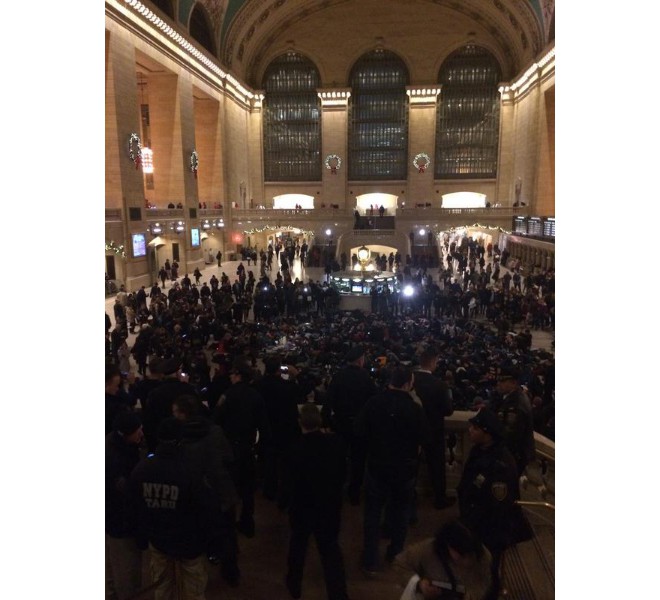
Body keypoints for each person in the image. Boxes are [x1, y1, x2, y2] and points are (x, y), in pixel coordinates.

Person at [131, 418, 222, 600]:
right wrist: (212, 543)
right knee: (193, 591)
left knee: (162, 587)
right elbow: (206, 509)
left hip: (158, 541)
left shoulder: (142, 469)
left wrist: (143, 535)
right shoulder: (191, 470)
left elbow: (136, 507)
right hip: (189, 542)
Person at [355, 366, 430, 573]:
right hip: (404, 469)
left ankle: (370, 558)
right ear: (407, 384)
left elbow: (360, 432)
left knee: (372, 514)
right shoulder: (415, 409)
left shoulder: (374, 403)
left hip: (377, 466)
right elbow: (425, 438)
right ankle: (395, 553)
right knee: (401, 513)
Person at [457, 408, 532, 600]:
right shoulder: (480, 450)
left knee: (488, 572)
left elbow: (498, 504)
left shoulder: (501, 463)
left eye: (475, 428)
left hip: (490, 529)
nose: (470, 431)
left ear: (487, 433)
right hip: (475, 523)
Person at [282, 404, 350, 600]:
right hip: (328, 505)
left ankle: (294, 584)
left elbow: (288, 482)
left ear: (300, 423)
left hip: (302, 506)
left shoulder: (294, 448)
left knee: (298, 546)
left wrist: (285, 502)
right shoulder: (336, 443)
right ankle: (338, 593)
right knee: (330, 550)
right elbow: (343, 474)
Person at [212, 361, 271, 538]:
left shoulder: (227, 395)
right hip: (247, 447)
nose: (230, 376)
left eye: (232, 374)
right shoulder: (256, 396)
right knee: (247, 489)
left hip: (229, 448)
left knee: (227, 489)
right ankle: (247, 522)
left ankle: (227, 526)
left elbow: (215, 419)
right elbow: (264, 426)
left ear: (238, 375)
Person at [324, 345, 378, 505]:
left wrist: (326, 421)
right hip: (360, 425)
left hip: (340, 423)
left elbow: (328, 401)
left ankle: (336, 490)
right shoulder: (366, 378)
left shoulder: (338, 376)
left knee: (338, 459)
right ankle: (354, 492)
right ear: (360, 360)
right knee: (358, 460)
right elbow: (374, 401)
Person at [395, 519, 492, 600]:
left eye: (469, 555)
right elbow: (400, 563)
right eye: (460, 554)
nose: (465, 560)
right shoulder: (428, 549)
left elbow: (484, 583)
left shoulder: (483, 556)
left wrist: (471, 596)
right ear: (449, 546)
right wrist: (419, 584)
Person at [106, 412, 144, 600]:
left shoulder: (114, 444)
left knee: (114, 566)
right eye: (138, 431)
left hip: (116, 520)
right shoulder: (114, 458)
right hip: (120, 521)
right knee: (126, 569)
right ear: (126, 433)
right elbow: (123, 491)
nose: (141, 434)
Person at [414, 347, 455, 509]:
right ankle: (440, 498)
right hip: (433, 430)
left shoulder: (410, 380)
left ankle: (411, 496)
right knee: (437, 466)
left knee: (412, 465)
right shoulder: (439, 385)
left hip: (414, 430)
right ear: (432, 362)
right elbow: (448, 411)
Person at [490, 367, 535, 475]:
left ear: (513, 383)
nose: (499, 384)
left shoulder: (516, 404)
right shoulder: (512, 398)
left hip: (513, 457)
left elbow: (510, 435)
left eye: (503, 381)